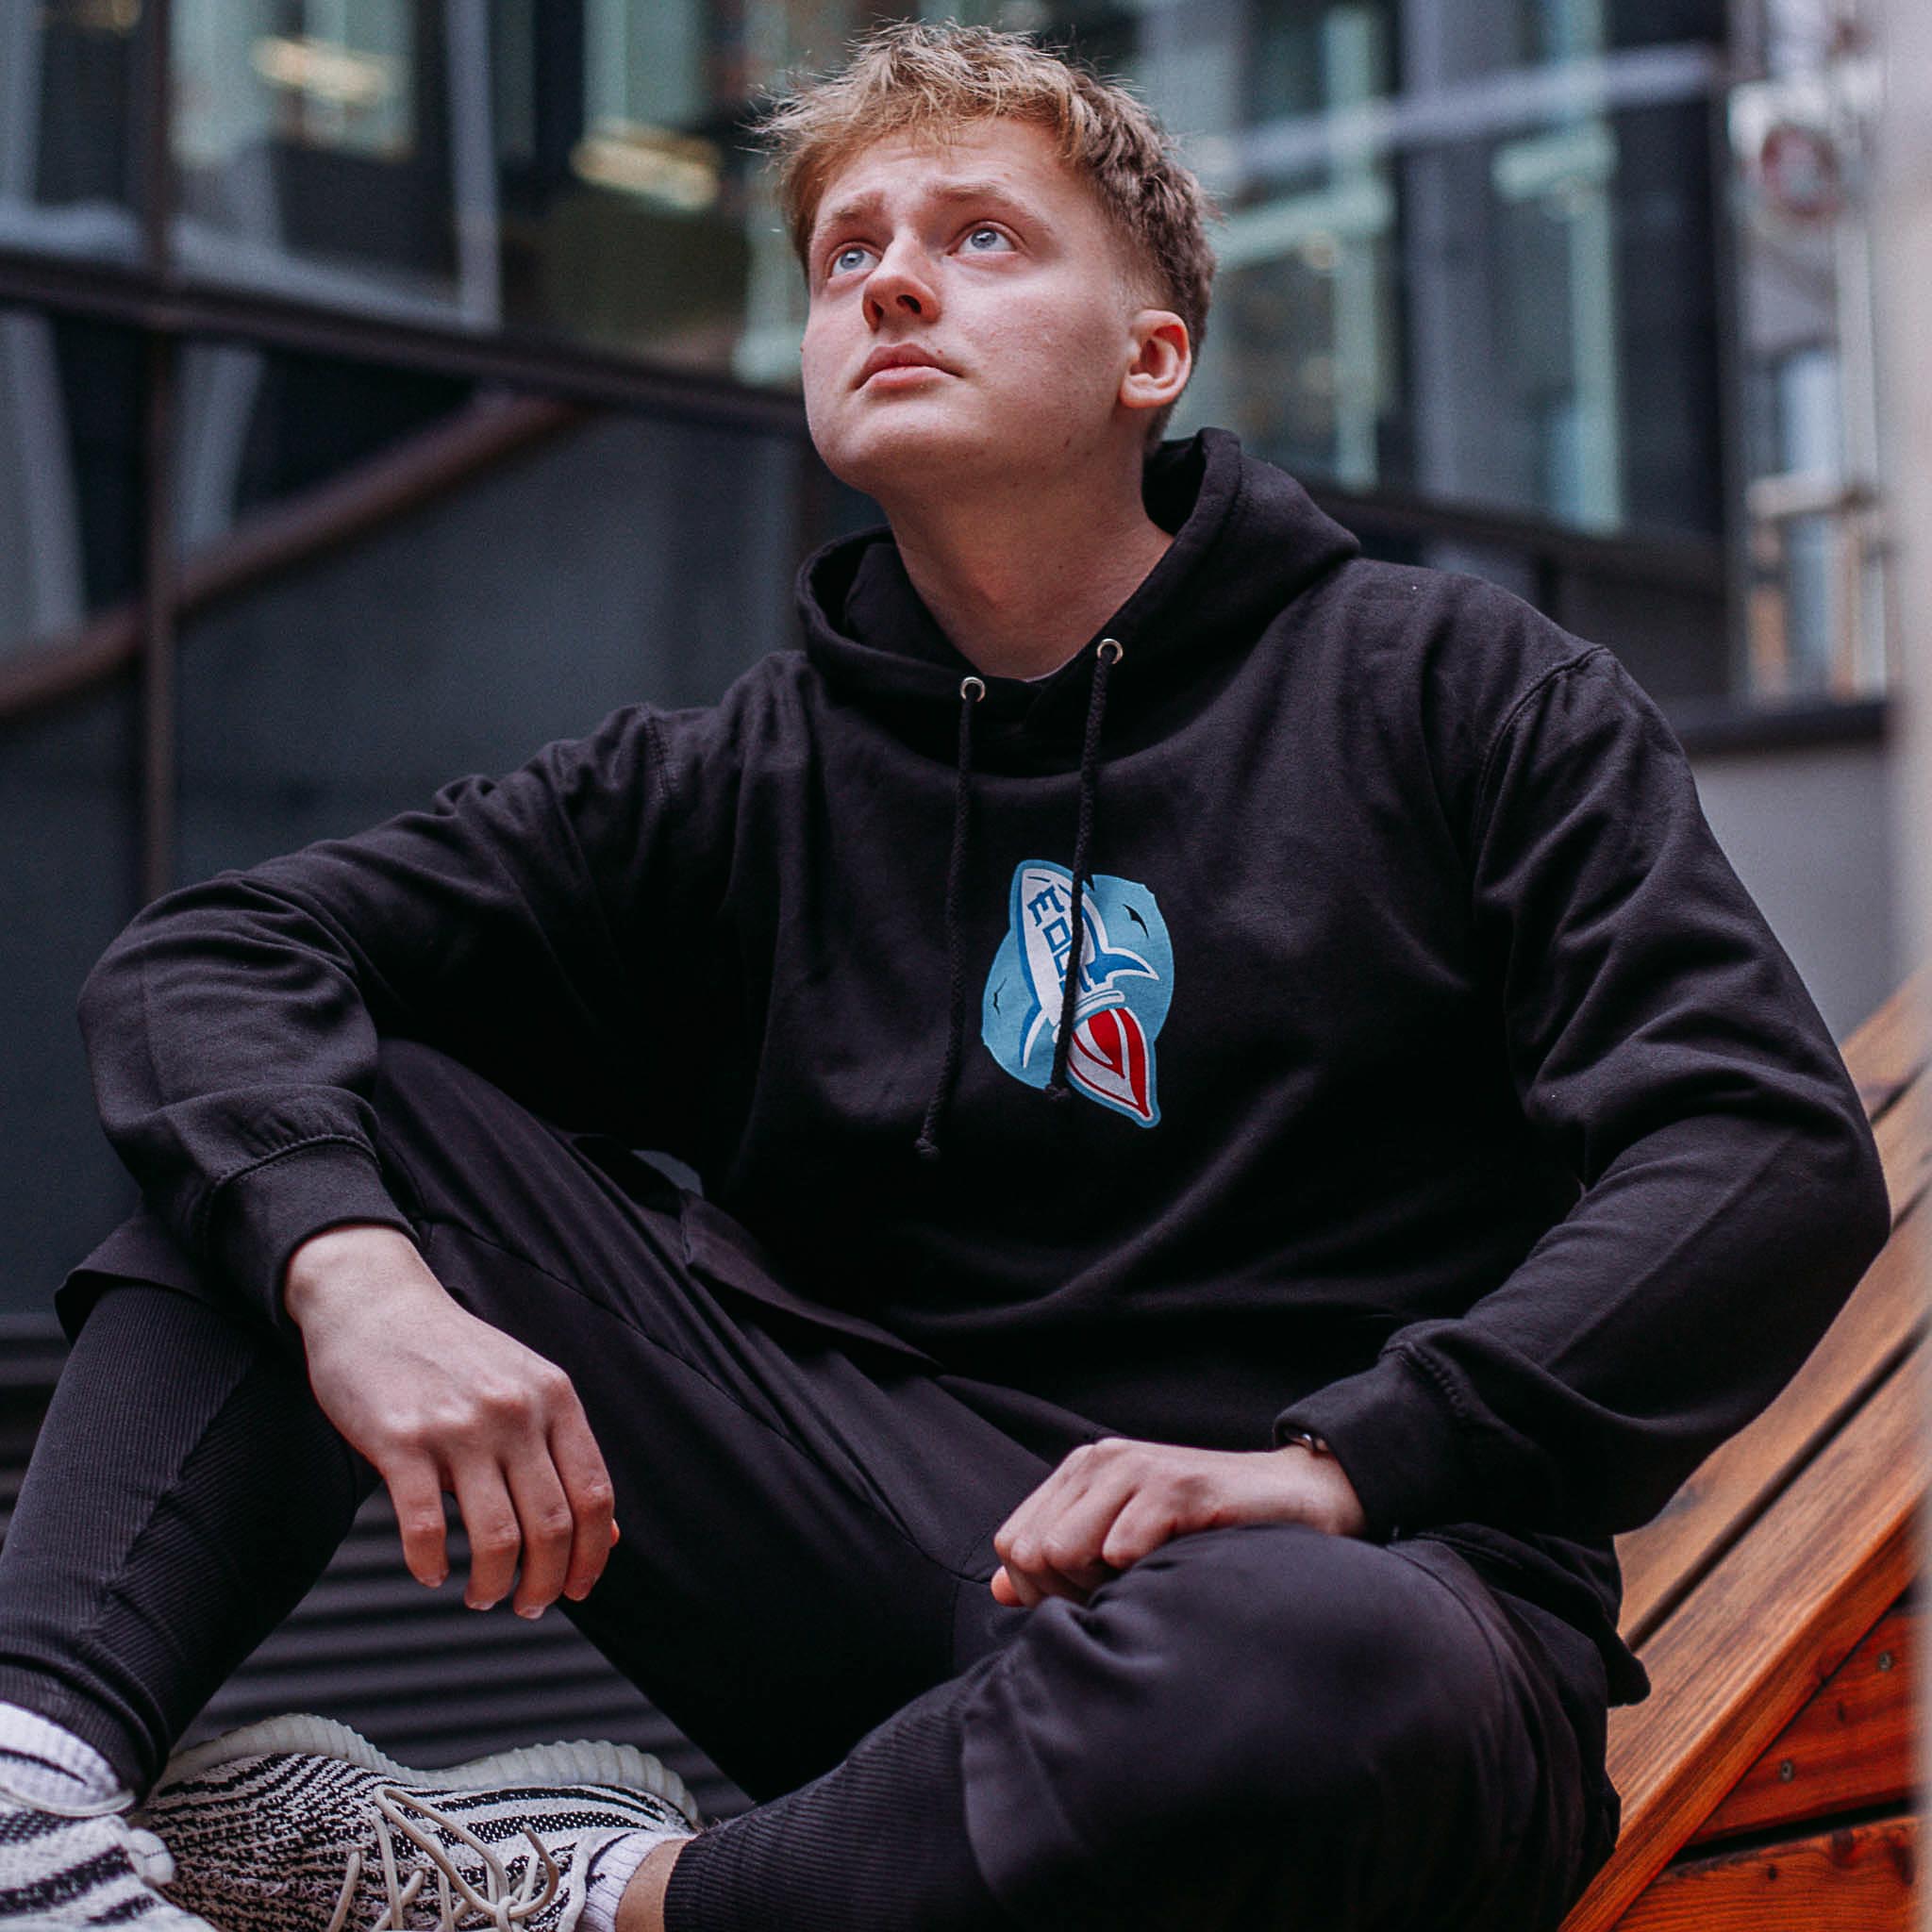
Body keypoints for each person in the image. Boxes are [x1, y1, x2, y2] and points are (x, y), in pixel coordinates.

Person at [0, 20, 1891, 1932]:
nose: (890, 280)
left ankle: (592, 1898)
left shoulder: (1453, 690)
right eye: (848, 254)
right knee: (297, 1134)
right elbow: (217, 956)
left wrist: (1344, 1461)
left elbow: (1757, 1144)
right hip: (902, 1559)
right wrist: (357, 1281)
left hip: (1359, 1597)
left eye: (981, 236)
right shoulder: (739, 783)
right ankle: (29, 1807)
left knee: (1309, 1655)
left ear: (1152, 356)